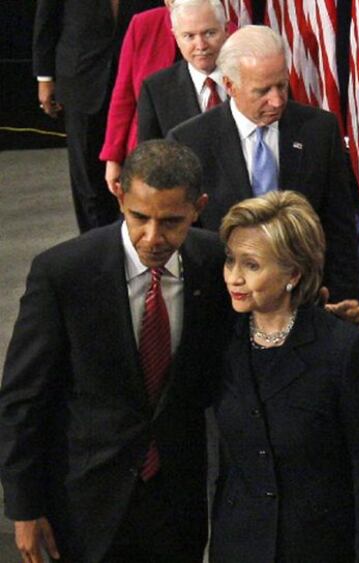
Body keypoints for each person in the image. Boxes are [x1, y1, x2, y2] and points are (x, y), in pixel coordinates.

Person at [0, 140, 228, 563]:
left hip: (178, 503)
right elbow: (22, 398)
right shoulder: (64, 272)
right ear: (120, 195)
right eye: (140, 217)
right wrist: (24, 508)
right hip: (86, 503)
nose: (153, 237)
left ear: (198, 207)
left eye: (172, 221)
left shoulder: (215, 263)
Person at [211, 190, 359, 563]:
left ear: (293, 273)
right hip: (239, 544)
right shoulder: (219, 340)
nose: (234, 277)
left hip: (319, 546)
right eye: (231, 261)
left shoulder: (342, 351)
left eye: (251, 265)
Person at [168, 25, 359, 304]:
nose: (277, 100)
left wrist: (342, 303)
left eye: (281, 85)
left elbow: (340, 230)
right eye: (263, 90)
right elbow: (185, 238)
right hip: (222, 304)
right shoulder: (190, 141)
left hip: (303, 301)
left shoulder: (319, 130)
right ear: (230, 86)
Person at [33, 0, 164, 233]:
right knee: (86, 174)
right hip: (80, 78)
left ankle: (134, 237)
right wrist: (44, 77)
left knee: (140, 166)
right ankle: (94, 243)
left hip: (136, 76)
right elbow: (46, 18)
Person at [100, 0, 178, 194]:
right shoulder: (143, 25)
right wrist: (113, 158)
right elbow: (123, 97)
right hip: (145, 148)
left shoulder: (223, 29)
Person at [137, 0, 230, 145]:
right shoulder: (156, 89)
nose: (201, 46)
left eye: (209, 33)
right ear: (175, 37)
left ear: (226, 30)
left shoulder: (249, 77)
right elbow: (151, 159)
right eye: (189, 36)